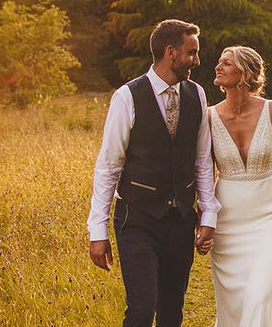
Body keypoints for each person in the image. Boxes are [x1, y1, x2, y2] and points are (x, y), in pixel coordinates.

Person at [87, 19, 221, 327]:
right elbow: (108, 167)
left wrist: (207, 216)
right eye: (192, 52)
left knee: (172, 313)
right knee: (142, 310)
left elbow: (202, 161)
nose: (197, 61)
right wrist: (98, 230)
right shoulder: (127, 97)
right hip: (137, 219)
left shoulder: (197, 95)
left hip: (181, 221)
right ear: (171, 52)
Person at [209, 45, 272, 327]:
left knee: (259, 293)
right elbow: (204, 173)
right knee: (232, 304)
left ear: (246, 73)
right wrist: (203, 220)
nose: (218, 67)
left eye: (227, 63)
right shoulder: (208, 117)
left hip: (268, 216)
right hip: (226, 221)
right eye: (219, 62)